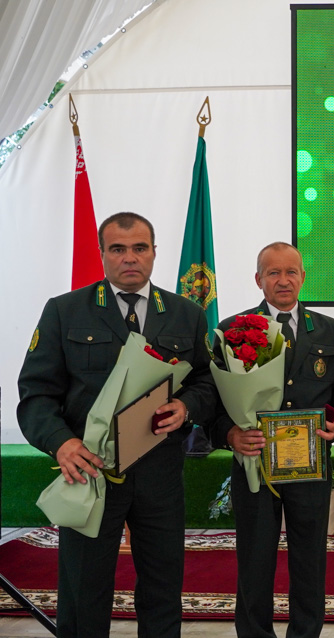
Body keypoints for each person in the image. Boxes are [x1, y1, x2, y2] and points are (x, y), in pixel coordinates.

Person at [17, 212, 217, 638]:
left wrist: (186, 407)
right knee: (83, 590)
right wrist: (61, 443)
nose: (130, 258)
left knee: (163, 587)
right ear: (103, 253)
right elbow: (36, 394)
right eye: (118, 249)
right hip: (90, 472)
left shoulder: (186, 314)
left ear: (154, 252)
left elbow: (207, 382)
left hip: (159, 471)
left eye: (140, 248)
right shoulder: (64, 311)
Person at [210, 242, 334, 638]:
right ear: (258, 279)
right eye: (273, 272)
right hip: (255, 465)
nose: (283, 280)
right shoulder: (232, 330)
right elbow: (211, 401)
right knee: (255, 560)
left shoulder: (329, 331)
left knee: (310, 561)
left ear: (303, 277)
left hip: (310, 466)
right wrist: (229, 433)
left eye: (291, 271)